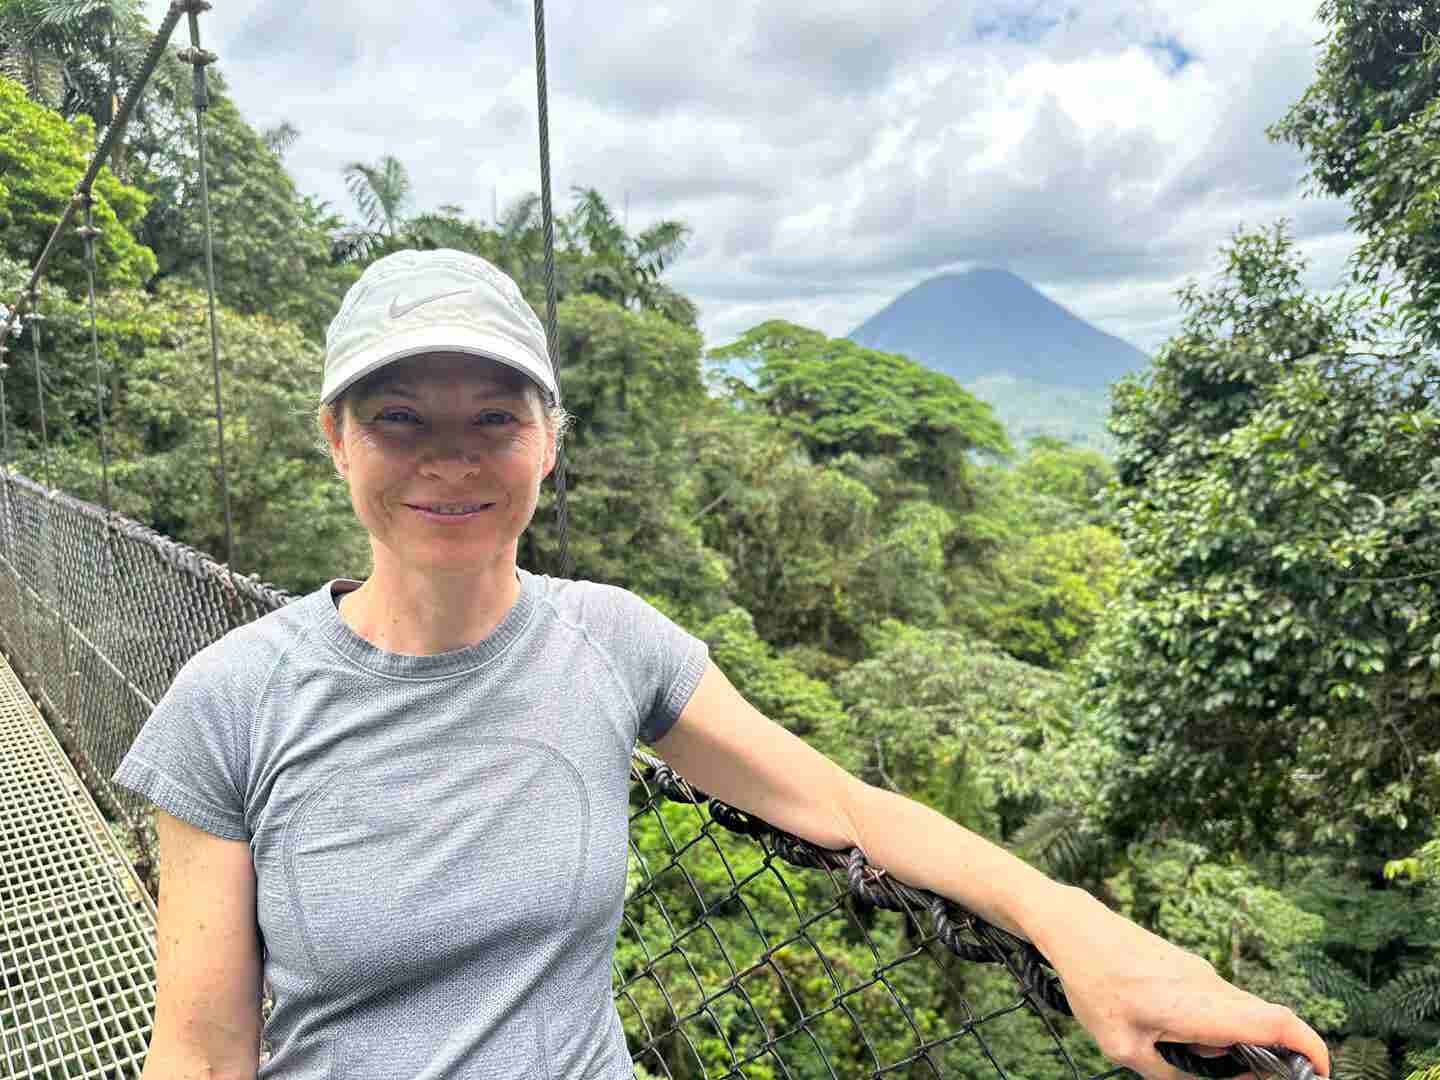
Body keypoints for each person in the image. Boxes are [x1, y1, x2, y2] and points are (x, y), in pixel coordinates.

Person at [113, 248, 1330, 1080]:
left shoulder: (612, 641)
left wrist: (1084, 934)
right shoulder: (233, 701)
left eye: (495, 417)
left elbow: (840, 805)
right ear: (333, 439)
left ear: (550, 443)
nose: (451, 458)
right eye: (398, 419)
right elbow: (206, 1055)